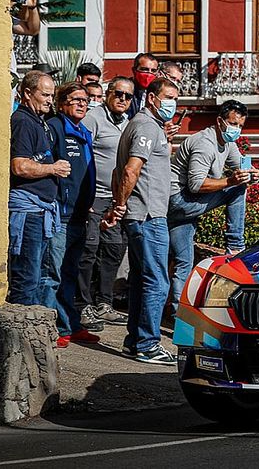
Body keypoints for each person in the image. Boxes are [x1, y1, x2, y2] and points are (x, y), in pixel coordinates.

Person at [103, 77, 180, 365]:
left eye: (175, 97)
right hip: (148, 216)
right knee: (158, 282)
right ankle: (148, 344)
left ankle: (134, 341)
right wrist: (120, 205)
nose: (172, 103)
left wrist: (118, 205)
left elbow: (117, 171)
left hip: (141, 215)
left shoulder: (142, 125)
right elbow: (129, 171)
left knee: (140, 280)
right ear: (152, 97)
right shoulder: (147, 126)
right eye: (168, 97)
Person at [167, 100, 258, 313]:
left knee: (184, 261)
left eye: (240, 126)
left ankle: (178, 313)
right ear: (219, 121)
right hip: (179, 201)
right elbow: (196, 184)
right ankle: (236, 244)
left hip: (183, 211)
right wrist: (231, 182)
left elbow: (240, 167)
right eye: (232, 123)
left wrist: (253, 174)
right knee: (236, 189)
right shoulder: (204, 144)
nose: (236, 129)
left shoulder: (228, 143)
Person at [43, 82, 100, 347]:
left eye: (85, 100)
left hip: (80, 214)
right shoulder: (54, 127)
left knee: (70, 272)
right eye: (76, 99)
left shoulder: (84, 131)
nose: (82, 104)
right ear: (62, 102)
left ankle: (70, 324)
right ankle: (51, 329)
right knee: (53, 273)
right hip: (60, 214)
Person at [8, 71, 69, 305]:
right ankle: (20, 337)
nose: (49, 100)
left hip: (41, 211)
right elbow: (19, 166)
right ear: (26, 93)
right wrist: (52, 169)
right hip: (29, 211)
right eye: (44, 94)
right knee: (27, 279)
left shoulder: (38, 122)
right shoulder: (23, 121)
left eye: (51, 95)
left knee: (38, 278)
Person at [78, 77, 134, 328]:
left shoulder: (129, 124)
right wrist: (85, 196)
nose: (123, 99)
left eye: (128, 96)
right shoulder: (93, 118)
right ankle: (84, 305)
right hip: (94, 196)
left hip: (116, 198)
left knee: (113, 250)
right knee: (88, 251)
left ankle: (105, 303)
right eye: (118, 93)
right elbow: (82, 155)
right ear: (108, 94)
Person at [126, 52, 159, 118]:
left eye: (153, 71)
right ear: (134, 70)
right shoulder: (125, 90)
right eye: (145, 69)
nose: (149, 74)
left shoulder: (158, 93)